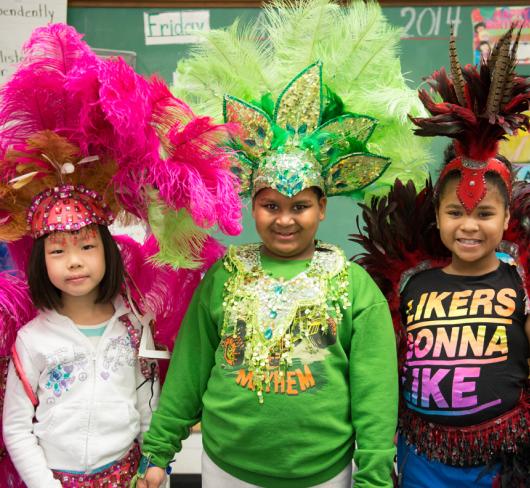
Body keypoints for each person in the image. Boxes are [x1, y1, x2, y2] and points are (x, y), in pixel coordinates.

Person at [135, 62, 398, 488]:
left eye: (300, 206)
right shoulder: (226, 274)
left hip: (322, 475)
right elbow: (189, 369)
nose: (285, 220)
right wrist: (159, 451)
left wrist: (374, 478)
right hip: (225, 469)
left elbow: (375, 393)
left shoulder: (353, 284)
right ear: (252, 205)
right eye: (271, 206)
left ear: (323, 207)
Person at [0, 23, 242, 488]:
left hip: (128, 478)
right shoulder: (31, 341)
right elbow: (16, 428)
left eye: (88, 246)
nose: (74, 261)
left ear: (109, 254)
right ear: (39, 260)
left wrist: (156, 467)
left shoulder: (134, 325)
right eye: (58, 250)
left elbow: (147, 405)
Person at [353, 27, 530, 487]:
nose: (469, 225)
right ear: (436, 214)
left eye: (485, 213)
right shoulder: (410, 281)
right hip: (421, 462)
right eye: (455, 211)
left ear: (508, 214)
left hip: (502, 462)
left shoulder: (521, 280)